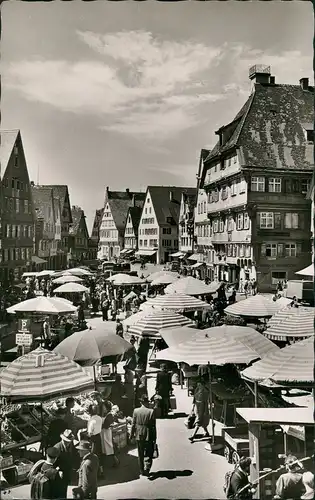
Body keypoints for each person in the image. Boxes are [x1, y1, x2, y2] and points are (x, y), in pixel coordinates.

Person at [130, 394, 157, 477]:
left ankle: (141, 470)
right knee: (149, 451)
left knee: (140, 452)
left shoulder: (136, 411)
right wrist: (155, 437)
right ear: (147, 402)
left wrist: (131, 434)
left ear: (141, 402)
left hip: (139, 433)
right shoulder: (151, 411)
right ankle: (147, 467)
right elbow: (153, 425)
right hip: (148, 433)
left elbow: (133, 424)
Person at [54, 429, 79, 498]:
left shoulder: (71, 445)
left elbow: (74, 456)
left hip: (67, 472)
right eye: (67, 441)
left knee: (64, 490)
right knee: (59, 492)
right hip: (59, 473)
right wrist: (58, 470)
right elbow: (53, 463)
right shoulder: (57, 448)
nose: (68, 443)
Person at [189, 372, 210, 442]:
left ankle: (193, 435)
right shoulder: (197, 390)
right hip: (197, 408)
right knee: (202, 422)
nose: (198, 385)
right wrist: (193, 408)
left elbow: (205, 402)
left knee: (199, 421)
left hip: (202, 408)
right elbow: (194, 399)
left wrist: (205, 411)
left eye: (199, 384)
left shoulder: (205, 392)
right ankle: (206, 432)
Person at [101, 400, 119, 468]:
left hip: (107, 433)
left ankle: (116, 461)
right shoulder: (106, 414)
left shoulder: (109, 415)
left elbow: (106, 425)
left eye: (104, 407)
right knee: (107, 447)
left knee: (109, 447)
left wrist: (100, 425)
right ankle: (114, 461)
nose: (103, 408)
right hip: (104, 433)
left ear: (107, 407)